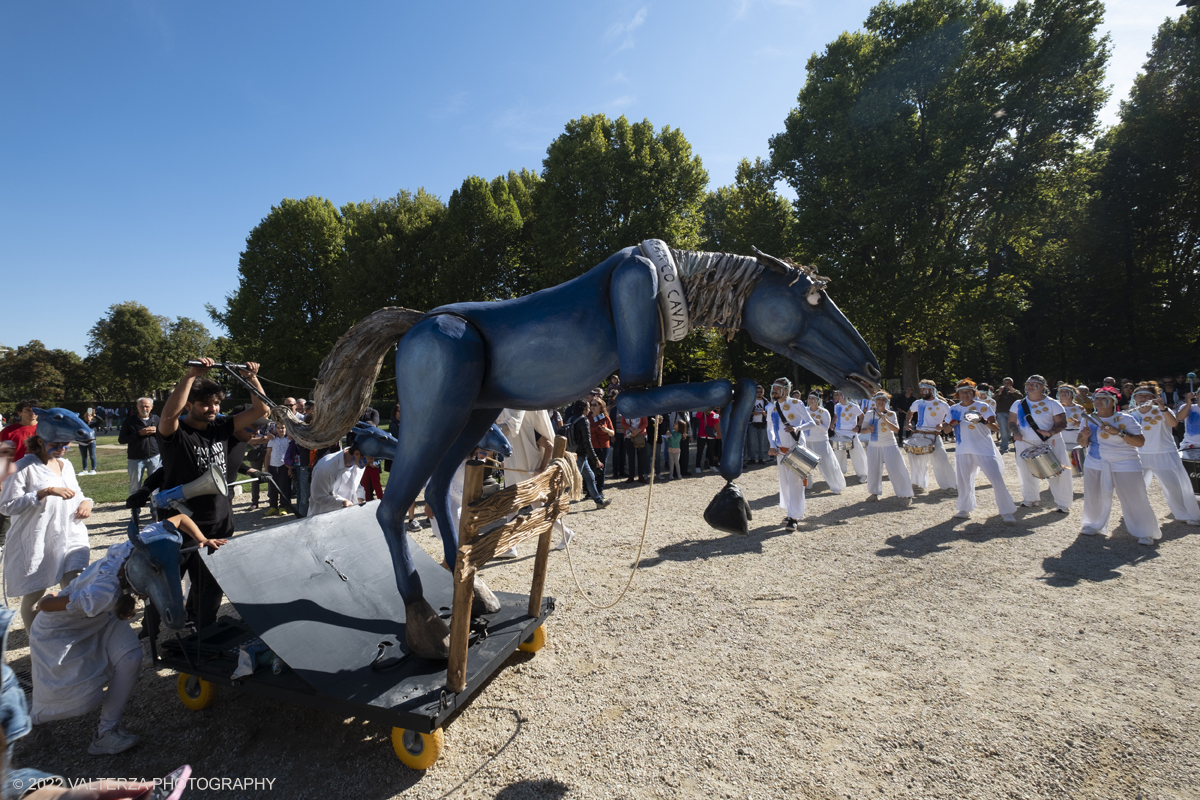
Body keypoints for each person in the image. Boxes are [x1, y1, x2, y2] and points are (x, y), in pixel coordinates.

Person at [29, 513, 221, 756]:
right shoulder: (103, 594)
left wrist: (202, 539)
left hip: (101, 619)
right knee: (82, 701)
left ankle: (106, 734)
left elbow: (180, 518)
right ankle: (32, 719)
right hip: (61, 631)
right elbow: (47, 606)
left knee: (131, 657)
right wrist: (46, 601)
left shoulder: (150, 538)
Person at [157, 357, 268, 629]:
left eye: (216, 403)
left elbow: (261, 410)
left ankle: (203, 628)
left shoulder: (221, 425)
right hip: (180, 520)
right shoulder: (176, 432)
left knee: (211, 582)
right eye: (205, 403)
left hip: (218, 518)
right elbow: (169, 415)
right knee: (168, 580)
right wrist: (191, 376)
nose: (212, 408)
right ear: (191, 405)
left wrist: (250, 378)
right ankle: (152, 629)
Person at [0, 433, 92, 632]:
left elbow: (77, 492)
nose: (62, 448)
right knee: (35, 592)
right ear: (40, 441)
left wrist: (86, 502)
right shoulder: (23, 467)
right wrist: (45, 491)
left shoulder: (65, 464)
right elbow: (6, 506)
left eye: (65, 443)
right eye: (56, 443)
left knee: (75, 586)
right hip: (38, 537)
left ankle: (75, 637)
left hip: (70, 534)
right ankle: (37, 641)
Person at [1077, 388, 1161, 545]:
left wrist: (1119, 432)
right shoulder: (1088, 419)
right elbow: (1081, 442)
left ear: (1113, 402)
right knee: (1094, 495)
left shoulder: (1126, 419)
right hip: (1096, 461)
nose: (1098, 400)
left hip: (1125, 461)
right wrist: (1085, 436)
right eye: (1096, 398)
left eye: (1103, 398)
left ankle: (1145, 531)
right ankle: (1092, 524)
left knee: (1135, 497)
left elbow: (1140, 442)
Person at [946, 379, 1017, 522]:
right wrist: (952, 424)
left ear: (973, 393)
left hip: (984, 448)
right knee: (964, 481)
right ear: (958, 394)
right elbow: (946, 429)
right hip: (963, 449)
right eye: (962, 392)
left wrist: (983, 421)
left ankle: (1006, 511)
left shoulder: (982, 406)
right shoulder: (954, 409)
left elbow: (996, 428)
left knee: (996, 480)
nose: (965, 395)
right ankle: (965, 508)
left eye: (968, 392)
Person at [1131, 383, 1200, 526]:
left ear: (1153, 397)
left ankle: (1185, 514)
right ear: (1135, 397)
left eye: (1147, 395)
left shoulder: (1162, 410)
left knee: (1174, 485)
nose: (1143, 398)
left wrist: (1163, 407)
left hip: (1165, 452)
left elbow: (1174, 423)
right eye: (1140, 395)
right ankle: (1135, 512)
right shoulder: (1131, 414)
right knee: (1135, 486)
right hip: (1139, 454)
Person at [1009, 374, 1072, 513]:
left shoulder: (1052, 403)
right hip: (1024, 441)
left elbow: (1062, 423)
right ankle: (1030, 499)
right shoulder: (1018, 404)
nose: (1030, 386)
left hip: (1051, 440)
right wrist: (1016, 432)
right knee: (1025, 471)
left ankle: (1063, 503)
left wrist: (1049, 432)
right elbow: (1012, 422)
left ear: (1043, 387)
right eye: (1028, 383)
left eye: (1034, 383)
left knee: (1057, 471)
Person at [766, 378, 814, 529]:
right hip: (780, 450)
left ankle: (794, 516)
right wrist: (772, 445)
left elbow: (811, 422)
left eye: (777, 388)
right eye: (773, 388)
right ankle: (790, 512)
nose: (774, 391)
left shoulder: (796, 403)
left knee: (795, 483)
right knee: (785, 482)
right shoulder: (771, 406)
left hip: (796, 447)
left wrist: (797, 428)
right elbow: (770, 428)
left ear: (786, 390)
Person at [861, 391, 913, 504]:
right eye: (878, 400)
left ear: (886, 401)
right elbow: (863, 429)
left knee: (897, 469)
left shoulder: (891, 414)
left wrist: (885, 419)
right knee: (873, 470)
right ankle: (874, 493)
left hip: (890, 445)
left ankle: (905, 495)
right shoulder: (869, 414)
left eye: (883, 400)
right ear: (875, 401)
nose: (881, 402)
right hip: (874, 446)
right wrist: (868, 429)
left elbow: (896, 430)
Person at [904, 380, 955, 494]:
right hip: (918, 433)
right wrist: (908, 422)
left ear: (932, 390)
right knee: (916, 459)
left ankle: (950, 485)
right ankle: (917, 484)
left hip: (934, 435)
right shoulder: (918, 403)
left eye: (924, 389)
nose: (921, 392)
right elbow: (909, 413)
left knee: (942, 460)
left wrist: (942, 425)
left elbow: (951, 417)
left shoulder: (942, 404)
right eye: (921, 389)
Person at [0, 401, 38, 547]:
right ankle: (2, 543)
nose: (32, 413)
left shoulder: (45, 429)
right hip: (14, 475)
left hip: (38, 474)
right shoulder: (9, 432)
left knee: (37, 505)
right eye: (28, 410)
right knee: (7, 508)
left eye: (35, 410)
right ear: (19, 413)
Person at [564, 400, 611, 509]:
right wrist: (596, 459)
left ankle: (599, 501)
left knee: (590, 477)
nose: (589, 410)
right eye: (588, 407)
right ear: (584, 409)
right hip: (580, 456)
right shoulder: (584, 421)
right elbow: (587, 442)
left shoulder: (571, 419)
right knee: (571, 480)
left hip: (574, 454)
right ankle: (556, 504)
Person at [308, 437, 372, 516]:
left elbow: (354, 484)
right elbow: (318, 496)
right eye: (370, 458)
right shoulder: (324, 469)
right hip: (323, 518)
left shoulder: (359, 463)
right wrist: (342, 502)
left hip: (346, 517)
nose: (372, 463)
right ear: (357, 454)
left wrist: (360, 498)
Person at [117, 397, 160, 496]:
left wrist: (158, 431)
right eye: (142, 406)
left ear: (152, 407)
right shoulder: (129, 421)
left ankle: (155, 510)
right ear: (137, 407)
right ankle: (135, 510)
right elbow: (122, 440)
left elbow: (166, 435)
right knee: (135, 487)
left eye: (147, 406)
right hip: (135, 459)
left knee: (156, 486)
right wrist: (139, 434)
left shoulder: (156, 419)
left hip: (154, 457)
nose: (144, 409)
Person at [804, 391, 845, 494]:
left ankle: (836, 485)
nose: (811, 401)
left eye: (813, 399)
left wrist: (817, 423)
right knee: (805, 464)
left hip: (821, 441)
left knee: (827, 463)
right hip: (807, 440)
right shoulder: (805, 411)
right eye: (809, 398)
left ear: (818, 400)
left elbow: (825, 428)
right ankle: (807, 484)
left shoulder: (824, 412)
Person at [832, 390, 869, 483]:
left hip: (851, 434)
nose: (839, 396)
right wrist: (832, 423)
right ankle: (839, 474)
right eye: (838, 395)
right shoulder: (837, 406)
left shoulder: (853, 406)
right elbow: (836, 417)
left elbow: (862, 416)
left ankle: (863, 474)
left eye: (841, 394)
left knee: (857, 454)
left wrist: (858, 427)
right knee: (838, 454)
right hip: (839, 433)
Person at [264, 422, 293, 517]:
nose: (281, 430)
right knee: (272, 488)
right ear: (275, 429)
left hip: (284, 466)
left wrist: (290, 468)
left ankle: (283, 506)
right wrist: (266, 469)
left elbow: (291, 455)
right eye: (279, 428)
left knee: (284, 487)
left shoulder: (289, 440)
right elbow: (268, 455)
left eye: (283, 428)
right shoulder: (272, 440)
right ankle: (273, 506)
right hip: (273, 466)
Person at [589, 399, 614, 494]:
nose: (592, 406)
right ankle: (590, 490)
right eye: (591, 404)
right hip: (591, 446)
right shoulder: (588, 418)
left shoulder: (605, 418)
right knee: (591, 468)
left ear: (600, 406)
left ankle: (600, 489)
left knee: (601, 468)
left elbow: (612, 433)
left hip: (603, 446)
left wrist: (606, 430)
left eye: (595, 404)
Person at [993, 378, 1023, 454]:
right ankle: (1004, 447)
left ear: (1012, 383)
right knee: (1003, 430)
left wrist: (1014, 393)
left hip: (1012, 413)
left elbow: (1021, 399)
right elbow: (993, 400)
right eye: (1005, 383)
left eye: (1008, 383)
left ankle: (1014, 444)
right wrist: (999, 393)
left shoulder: (1015, 391)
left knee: (1011, 430)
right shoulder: (999, 391)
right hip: (1001, 412)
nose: (1007, 385)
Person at [621, 413, 649, 482]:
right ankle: (631, 476)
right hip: (628, 435)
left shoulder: (641, 411)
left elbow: (645, 423)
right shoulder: (625, 411)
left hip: (640, 435)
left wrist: (637, 430)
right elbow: (623, 423)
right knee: (631, 457)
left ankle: (641, 475)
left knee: (641, 456)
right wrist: (631, 429)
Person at [1056, 385, 1084, 449]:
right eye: (1061, 391)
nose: (1063, 393)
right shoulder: (1054, 406)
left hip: (1074, 437)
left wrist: (1078, 423)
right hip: (1059, 436)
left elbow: (1085, 424)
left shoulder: (1079, 408)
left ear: (1073, 394)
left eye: (1066, 391)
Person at [747, 384, 769, 464]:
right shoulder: (750, 401)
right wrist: (753, 413)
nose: (759, 393)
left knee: (762, 443)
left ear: (763, 393)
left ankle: (761, 459)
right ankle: (752, 459)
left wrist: (765, 414)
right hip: (752, 424)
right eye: (757, 392)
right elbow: (746, 412)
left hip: (763, 424)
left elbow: (770, 414)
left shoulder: (766, 402)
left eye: (760, 392)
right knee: (752, 443)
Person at [76, 411, 98, 475]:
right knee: (84, 457)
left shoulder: (93, 424)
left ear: (91, 417)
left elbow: (100, 421)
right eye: (86, 416)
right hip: (82, 443)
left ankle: (93, 469)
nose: (88, 417)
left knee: (92, 456)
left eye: (89, 416)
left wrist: (95, 415)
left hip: (91, 442)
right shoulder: (82, 423)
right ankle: (84, 470)